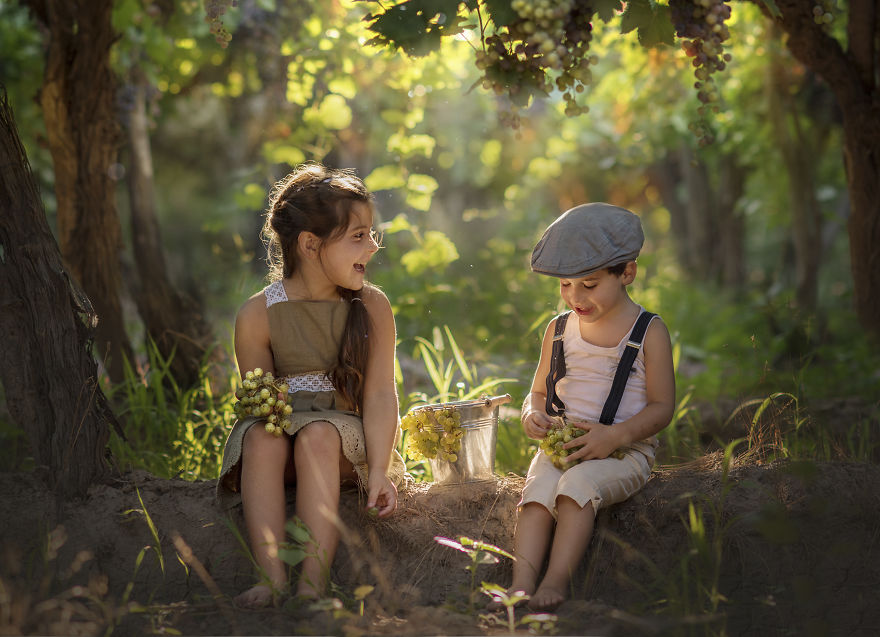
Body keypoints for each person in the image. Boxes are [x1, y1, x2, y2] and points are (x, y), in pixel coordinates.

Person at [217, 163, 406, 608]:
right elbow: (258, 401)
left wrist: (379, 469)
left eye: (371, 233)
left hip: (340, 441)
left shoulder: (372, 305)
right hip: (282, 438)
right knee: (262, 438)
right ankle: (271, 578)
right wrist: (273, 403)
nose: (373, 246)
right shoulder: (258, 313)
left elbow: (380, 394)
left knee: (318, 435)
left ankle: (312, 586)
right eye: (358, 235)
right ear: (310, 245)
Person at [510, 203, 675, 611]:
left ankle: (555, 581)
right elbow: (537, 393)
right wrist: (534, 415)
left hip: (624, 452)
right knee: (537, 494)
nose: (575, 297)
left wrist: (616, 435)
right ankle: (520, 582)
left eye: (589, 284)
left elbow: (662, 407)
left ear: (627, 273)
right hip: (563, 447)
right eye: (565, 285)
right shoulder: (559, 329)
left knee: (576, 488)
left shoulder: (648, 331)